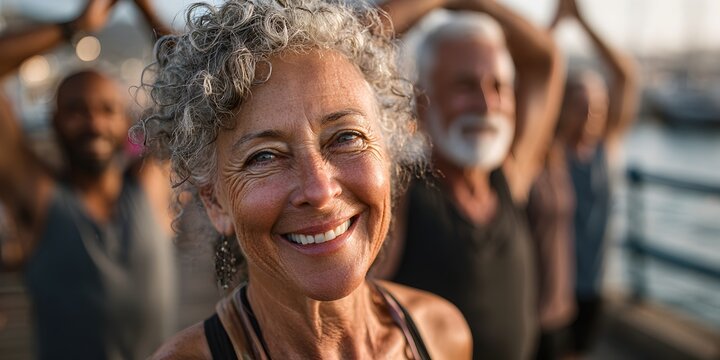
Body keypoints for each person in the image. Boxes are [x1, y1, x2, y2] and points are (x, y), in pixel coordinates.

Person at [140, 0, 472, 358]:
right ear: (214, 201)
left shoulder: (440, 334)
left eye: (346, 138)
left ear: (389, 157)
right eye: (264, 156)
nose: (320, 190)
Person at [373, 1, 566, 359]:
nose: (486, 103)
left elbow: (545, 60)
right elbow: (345, 50)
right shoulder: (399, 194)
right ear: (421, 101)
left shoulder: (510, 178)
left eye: (498, 86)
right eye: (465, 85)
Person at [0, 1, 177, 358]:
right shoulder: (37, 195)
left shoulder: (151, 185)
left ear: (126, 122)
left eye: (106, 110)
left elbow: (195, 76)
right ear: (54, 122)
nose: (93, 122)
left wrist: (143, 7)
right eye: (76, 111)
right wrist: (75, 26)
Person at [550, 0, 638, 356]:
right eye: (580, 105)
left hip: (596, 285)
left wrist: (582, 21)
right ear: (563, 107)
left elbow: (626, 76)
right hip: (554, 287)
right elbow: (530, 72)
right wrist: (555, 26)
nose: (589, 115)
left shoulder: (608, 148)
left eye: (597, 107)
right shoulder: (550, 152)